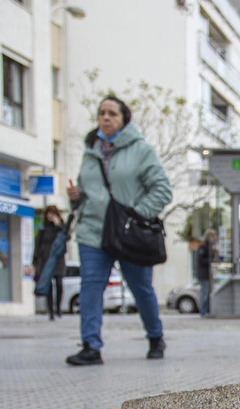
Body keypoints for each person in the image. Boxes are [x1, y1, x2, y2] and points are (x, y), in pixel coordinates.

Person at [64, 96, 172, 365]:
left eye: (112, 113)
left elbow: (162, 190)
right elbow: (86, 190)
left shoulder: (141, 151)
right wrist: (75, 197)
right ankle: (91, 345)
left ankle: (155, 336)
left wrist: (136, 214)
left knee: (141, 288)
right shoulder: (91, 151)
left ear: (124, 119)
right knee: (90, 287)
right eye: (101, 113)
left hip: (128, 233)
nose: (106, 117)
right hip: (93, 231)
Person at [33, 205, 71, 320]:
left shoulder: (61, 227)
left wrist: (58, 225)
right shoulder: (43, 228)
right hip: (45, 259)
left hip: (58, 259)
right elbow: (37, 245)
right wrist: (34, 261)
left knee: (59, 283)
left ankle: (58, 307)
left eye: (52, 213)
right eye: (48, 213)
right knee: (48, 286)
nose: (50, 216)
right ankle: (51, 312)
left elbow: (67, 237)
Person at [195, 228, 219, 317]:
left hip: (209, 274)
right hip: (204, 274)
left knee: (208, 292)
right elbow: (201, 260)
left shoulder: (211, 247)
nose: (213, 238)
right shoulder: (203, 247)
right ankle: (203, 310)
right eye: (212, 236)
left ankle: (208, 309)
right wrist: (211, 260)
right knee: (204, 293)